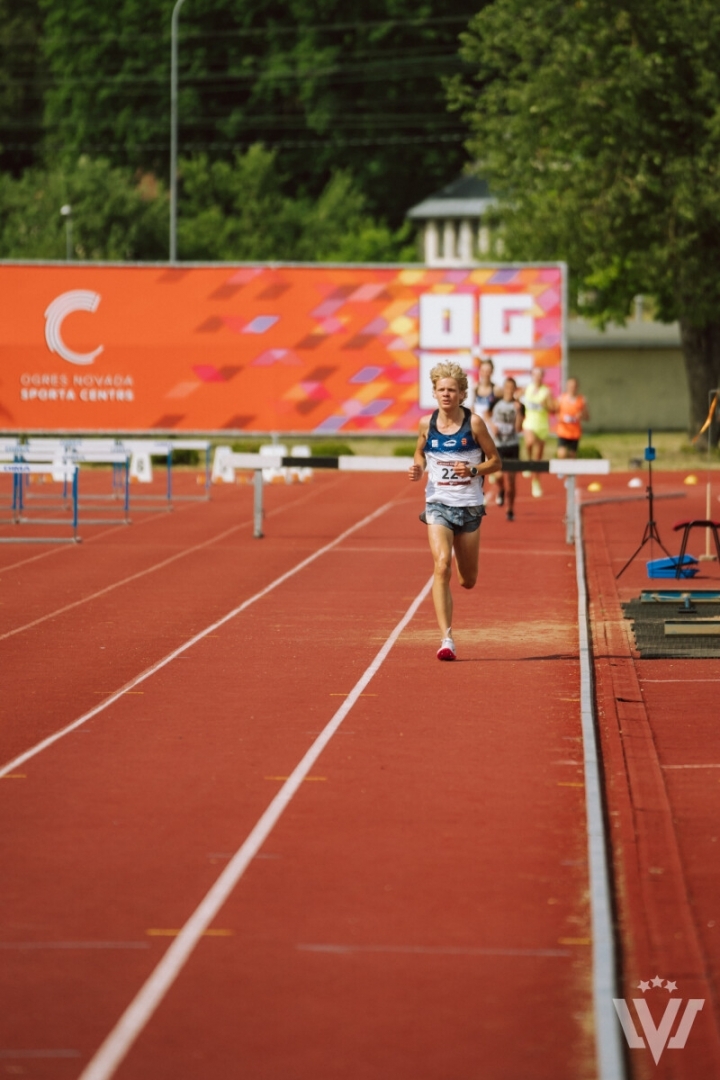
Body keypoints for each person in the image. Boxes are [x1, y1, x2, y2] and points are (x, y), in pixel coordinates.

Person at [409, 360, 500, 661]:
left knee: (467, 580)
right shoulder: (427, 423)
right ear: (434, 393)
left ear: (462, 394)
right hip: (438, 504)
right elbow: (420, 451)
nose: (446, 394)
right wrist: (419, 468)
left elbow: (495, 461)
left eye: (452, 390)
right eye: (441, 390)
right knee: (441, 564)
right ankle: (446, 638)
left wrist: (473, 468)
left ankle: (461, 579)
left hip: (469, 507)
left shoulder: (473, 424)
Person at [489, 377, 523, 520]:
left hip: (512, 445)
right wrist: (493, 427)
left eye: (512, 387)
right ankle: (501, 489)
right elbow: (488, 416)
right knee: (498, 475)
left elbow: (519, 428)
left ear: (515, 390)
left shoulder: (519, 405)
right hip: (498, 445)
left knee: (511, 480)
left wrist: (519, 412)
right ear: (504, 389)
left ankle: (510, 509)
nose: (509, 390)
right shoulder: (496, 402)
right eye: (507, 387)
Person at [521, 367, 556, 497]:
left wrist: (546, 404)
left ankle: (536, 482)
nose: (538, 378)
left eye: (540, 375)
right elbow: (517, 396)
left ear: (543, 377)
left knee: (538, 459)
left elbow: (553, 409)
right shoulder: (527, 388)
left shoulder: (546, 391)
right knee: (529, 442)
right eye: (535, 375)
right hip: (529, 423)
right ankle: (528, 462)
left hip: (542, 426)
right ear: (532, 376)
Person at [556, 376, 589, 458]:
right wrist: (562, 418)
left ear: (577, 387)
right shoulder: (561, 399)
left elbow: (587, 417)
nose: (572, 388)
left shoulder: (581, 400)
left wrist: (581, 415)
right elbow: (555, 413)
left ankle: (571, 471)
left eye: (574, 386)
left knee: (572, 456)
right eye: (570, 386)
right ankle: (561, 471)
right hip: (563, 431)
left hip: (575, 433)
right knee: (562, 454)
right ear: (567, 386)